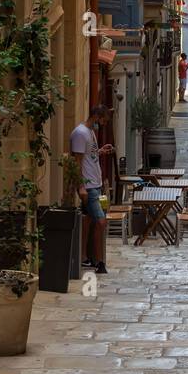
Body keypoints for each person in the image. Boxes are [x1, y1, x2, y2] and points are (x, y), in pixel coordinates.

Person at [70, 106, 114, 273]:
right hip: (88, 187)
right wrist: (81, 186)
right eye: (102, 121)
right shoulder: (80, 134)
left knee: (88, 221)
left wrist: (101, 151)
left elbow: (90, 155)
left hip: (95, 184)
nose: (102, 124)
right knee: (101, 221)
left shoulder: (90, 132)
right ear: (96, 116)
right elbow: (77, 161)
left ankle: (85, 258)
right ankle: (99, 262)